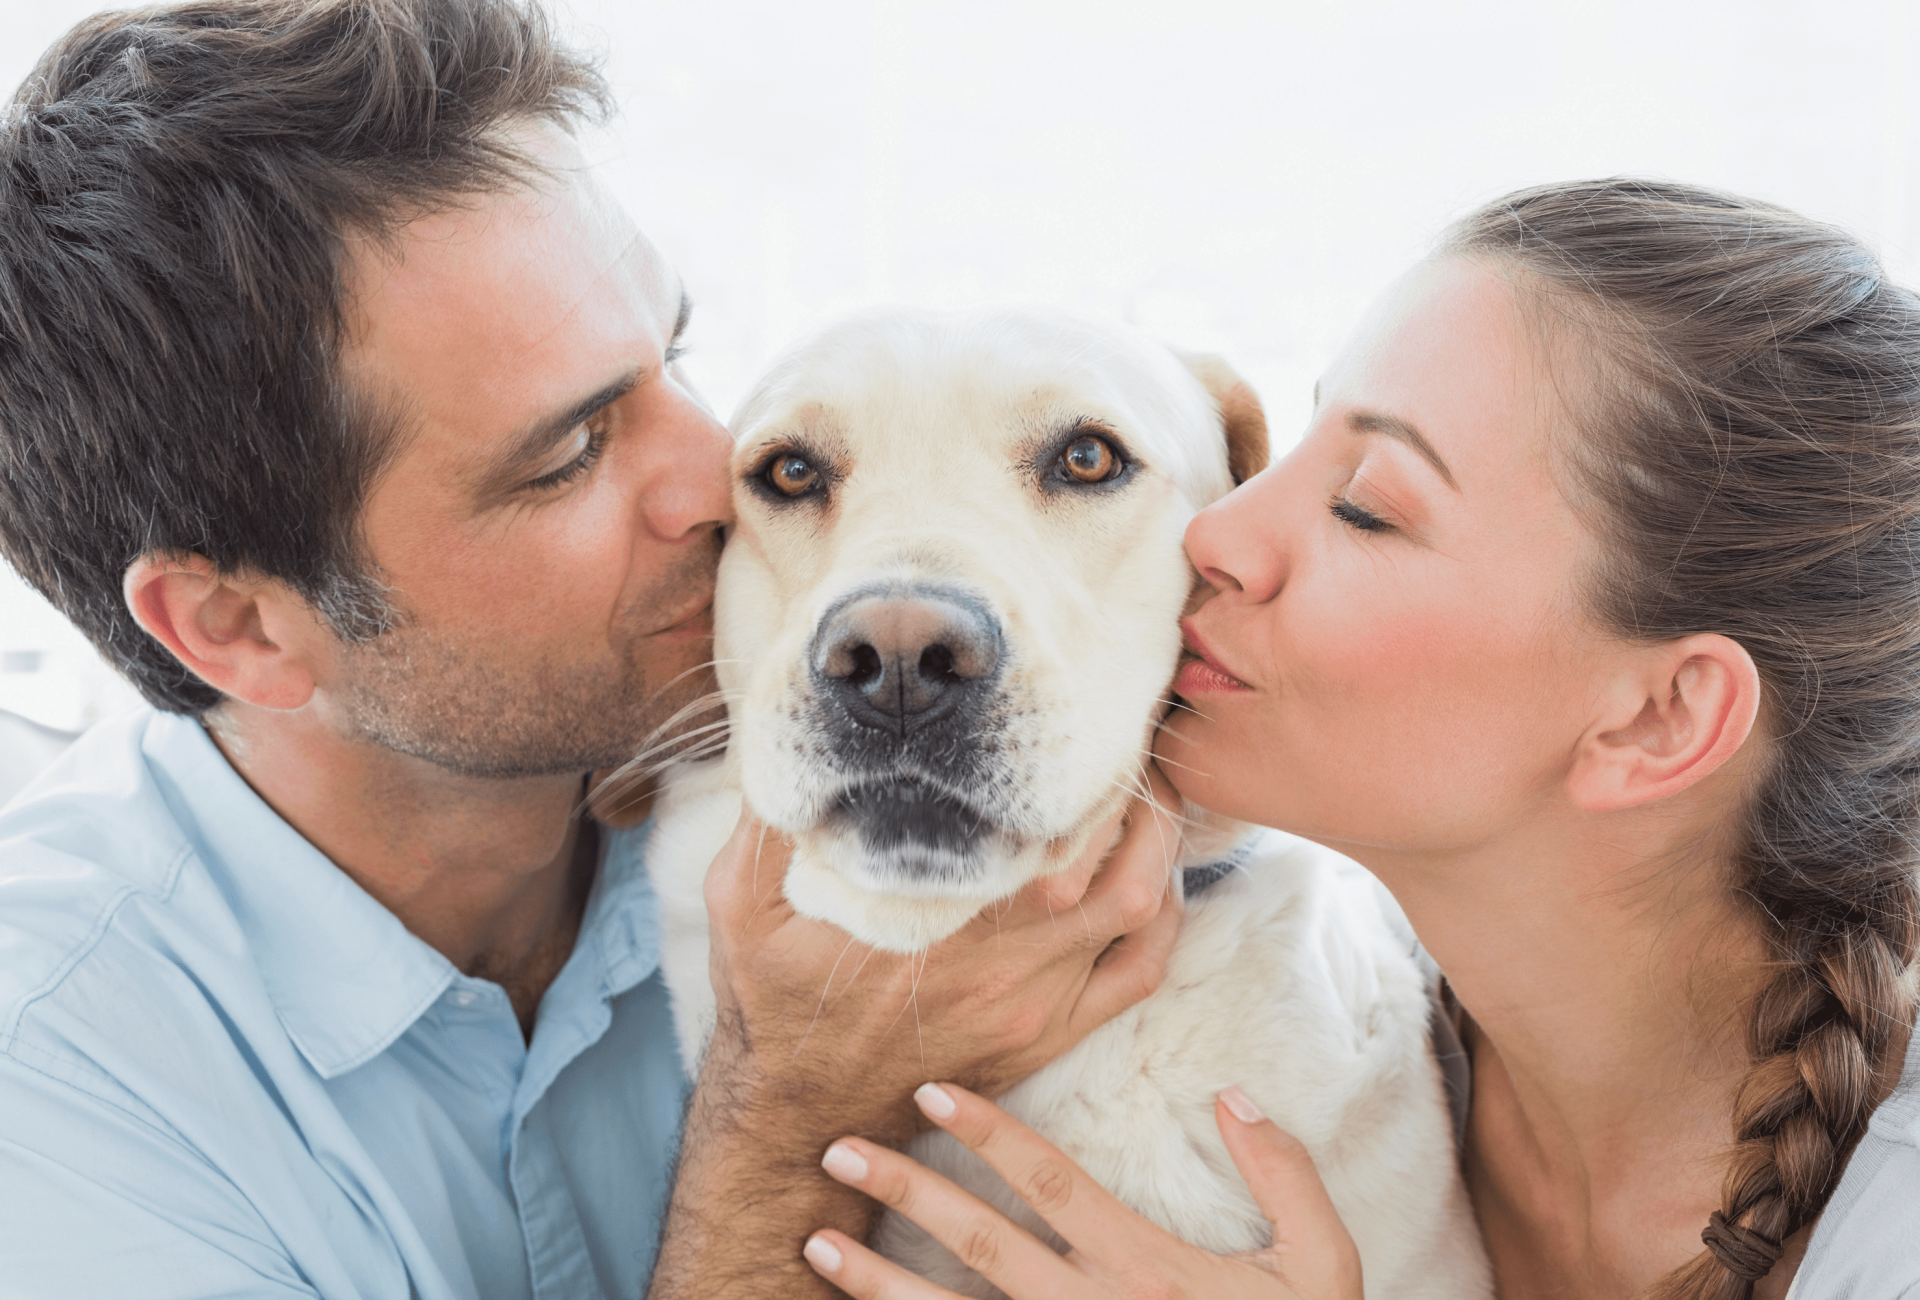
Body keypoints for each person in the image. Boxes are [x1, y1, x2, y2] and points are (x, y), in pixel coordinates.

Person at [0, 2, 1184, 1296]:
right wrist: (779, 1122)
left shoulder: (812, 772)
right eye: (569, 454)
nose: (719, 477)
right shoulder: (53, 1084)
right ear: (240, 627)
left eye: (673, 357)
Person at [798, 179, 1920, 1300]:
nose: (1216, 526)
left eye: (1367, 506)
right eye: (1296, 444)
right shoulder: (1363, 1056)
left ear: (1656, 717)